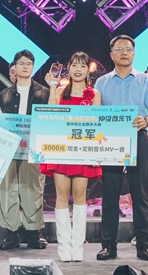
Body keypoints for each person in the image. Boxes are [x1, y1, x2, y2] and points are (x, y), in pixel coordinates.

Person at [94, 35, 148, 262]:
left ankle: (144, 245)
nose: (124, 52)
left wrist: (147, 120)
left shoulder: (145, 80)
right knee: (110, 195)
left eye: (128, 49)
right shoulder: (102, 82)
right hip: (110, 140)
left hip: (138, 136)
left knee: (140, 195)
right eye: (119, 49)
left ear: (134, 53)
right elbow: (95, 112)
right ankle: (108, 246)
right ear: (111, 54)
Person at [41, 52, 102, 262]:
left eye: (82, 66)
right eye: (74, 65)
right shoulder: (60, 91)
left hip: (84, 151)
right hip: (62, 150)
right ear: (68, 69)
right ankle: (63, 246)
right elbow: (50, 115)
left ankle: (78, 246)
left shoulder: (94, 94)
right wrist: (52, 87)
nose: (78, 69)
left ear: (88, 70)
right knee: (61, 196)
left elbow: (97, 123)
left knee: (80, 196)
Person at [0, 50, 50, 251]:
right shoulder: (3, 95)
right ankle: (11, 233)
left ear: (33, 67)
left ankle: (34, 233)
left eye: (29, 63)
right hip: (9, 148)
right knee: (7, 189)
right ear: (14, 67)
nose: (25, 66)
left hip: (34, 148)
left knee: (32, 189)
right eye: (21, 63)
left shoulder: (45, 93)